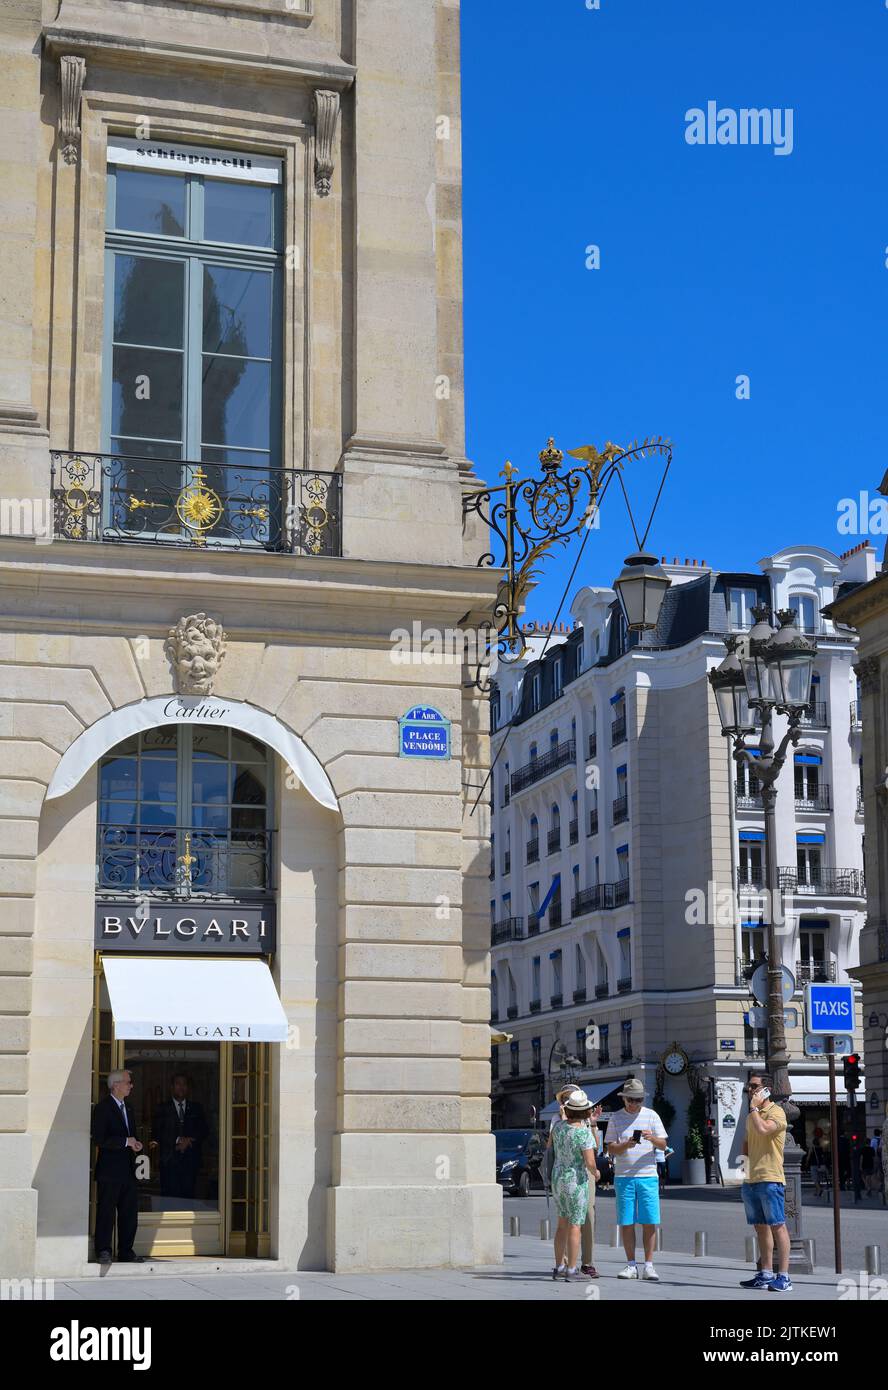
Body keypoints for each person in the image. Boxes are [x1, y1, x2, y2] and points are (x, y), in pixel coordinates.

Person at [606, 1078, 668, 1281]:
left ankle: (649, 1265)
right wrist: (625, 1145)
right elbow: (610, 1148)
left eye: (638, 1100)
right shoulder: (615, 1118)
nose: (634, 1103)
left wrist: (652, 1138)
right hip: (624, 1176)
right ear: (624, 1099)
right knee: (627, 1222)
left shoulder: (652, 1115)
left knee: (649, 1221)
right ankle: (631, 1264)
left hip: (648, 1175)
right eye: (630, 1099)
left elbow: (663, 1145)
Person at [738, 1071, 791, 1293]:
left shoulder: (776, 1112)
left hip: (770, 1177)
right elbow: (746, 1142)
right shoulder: (752, 1116)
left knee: (778, 1225)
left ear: (766, 1090)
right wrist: (744, 1167)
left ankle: (784, 1277)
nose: (749, 1090)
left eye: (754, 1087)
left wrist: (753, 1109)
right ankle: (766, 1273)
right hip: (752, 1178)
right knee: (760, 1227)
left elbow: (763, 1129)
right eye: (749, 1086)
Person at [91, 1068, 145, 1264]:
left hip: (128, 1170)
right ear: (115, 1085)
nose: (131, 1085)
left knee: (129, 1213)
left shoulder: (128, 1108)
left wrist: (135, 1143)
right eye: (128, 1082)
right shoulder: (103, 1108)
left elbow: (131, 1135)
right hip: (110, 1171)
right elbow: (99, 1139)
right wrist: (125, 1142)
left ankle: (126, 1251)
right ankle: (103, 1250)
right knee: (106, 1211)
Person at [547, 1084, 600, 1276]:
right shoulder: (583, 1132)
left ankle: (559, 1266)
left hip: (558, 1178)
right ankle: (571, 1268)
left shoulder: (558, 1127)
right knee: (576, 1224)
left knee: (562, 1224)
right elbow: (590, 1161)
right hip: (575, 1180)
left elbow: (550, 1146)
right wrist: (596, 1173)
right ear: (585, 1111)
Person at [151, 1073, 209, 1199]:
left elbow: (204, 1130)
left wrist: (189, 1141)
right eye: (178, 1084)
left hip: (191, 1162)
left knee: (189, 1199)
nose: (181, 1087)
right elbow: (157, 1133)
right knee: (169, 1200)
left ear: (188, 1088)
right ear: (172, 1087)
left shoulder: (196, 1108)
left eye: (184, 1084)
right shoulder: (162, 1108)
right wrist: (177, 1140)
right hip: (169, 1162)